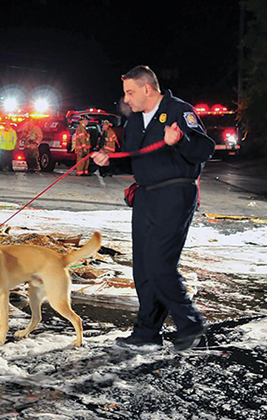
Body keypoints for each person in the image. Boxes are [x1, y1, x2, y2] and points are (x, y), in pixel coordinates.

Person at [91, 65, 215, 352]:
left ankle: (190, 323)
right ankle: (148, 331)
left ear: (148, 88)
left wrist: (180, 140)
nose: (127, 99)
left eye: (130, 92)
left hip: (174, 193)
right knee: (144, 268)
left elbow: (204, 149)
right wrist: (109, 161)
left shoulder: (178, 110)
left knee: (161, 264)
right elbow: (135, 159)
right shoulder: (135, 122)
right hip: (145, 196)